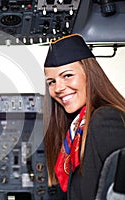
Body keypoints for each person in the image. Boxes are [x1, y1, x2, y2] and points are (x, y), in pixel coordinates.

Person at [43, 34, 125, 200]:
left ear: (89, 74)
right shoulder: (75, 128)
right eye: (51, 81)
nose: (58, 88)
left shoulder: (105, 118)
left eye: (67, 76)